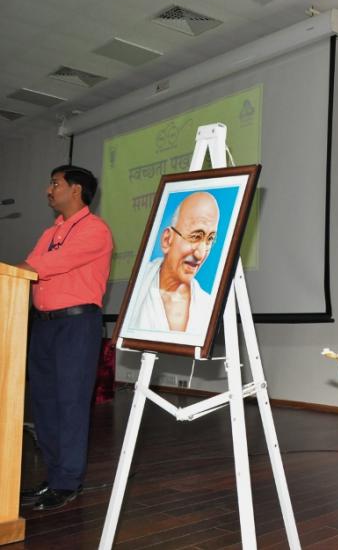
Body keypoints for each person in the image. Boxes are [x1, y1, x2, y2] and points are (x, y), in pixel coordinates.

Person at [18, 165, 113, 511]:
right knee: (44, 403)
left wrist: (25, 269)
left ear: (76, 190)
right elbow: (28, 268)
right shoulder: (49, 233)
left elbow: (50, 264)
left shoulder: (95, 230)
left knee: (70, 403)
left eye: (54, 183)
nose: (48, 190)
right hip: (43, 326)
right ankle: (54, 476)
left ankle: (67, 482)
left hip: (76, 326)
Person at [129, 191, 218, 334]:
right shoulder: (139, 283)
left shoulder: (207, 306)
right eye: (195, 236)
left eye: (210, 239)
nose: (200, 254)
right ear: (167, 240)